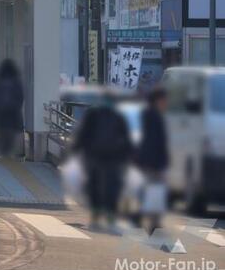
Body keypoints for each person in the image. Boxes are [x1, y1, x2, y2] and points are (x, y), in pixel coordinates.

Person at [72, 94, 133, 231]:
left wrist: (75, 149)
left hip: (94, 155)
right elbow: (126, 137)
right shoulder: (119, 116)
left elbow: (83, 133)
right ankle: (110, 216)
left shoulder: (93, 113)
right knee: (112, 186)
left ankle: (97, 215)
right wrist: (129, 154)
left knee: (95, 185)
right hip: (113, 156)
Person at [136, 87, 169, 233]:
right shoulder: (153, 116)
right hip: (151, 161)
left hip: (148, 160)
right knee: (154, 191)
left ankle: (146, 220)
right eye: (164, 100)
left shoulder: (149, 114)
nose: (166, 103)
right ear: (158, 100)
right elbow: (154, 141)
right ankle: (152, 222)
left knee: (150, 191)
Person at [0, 59, 24, 157]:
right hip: (13, 111)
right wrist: (17, 107)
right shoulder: (16, 80)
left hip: (0, 111)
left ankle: (2, 150)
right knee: (11, 131)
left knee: (2, 130)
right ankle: (9, 150)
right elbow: (20, 96)